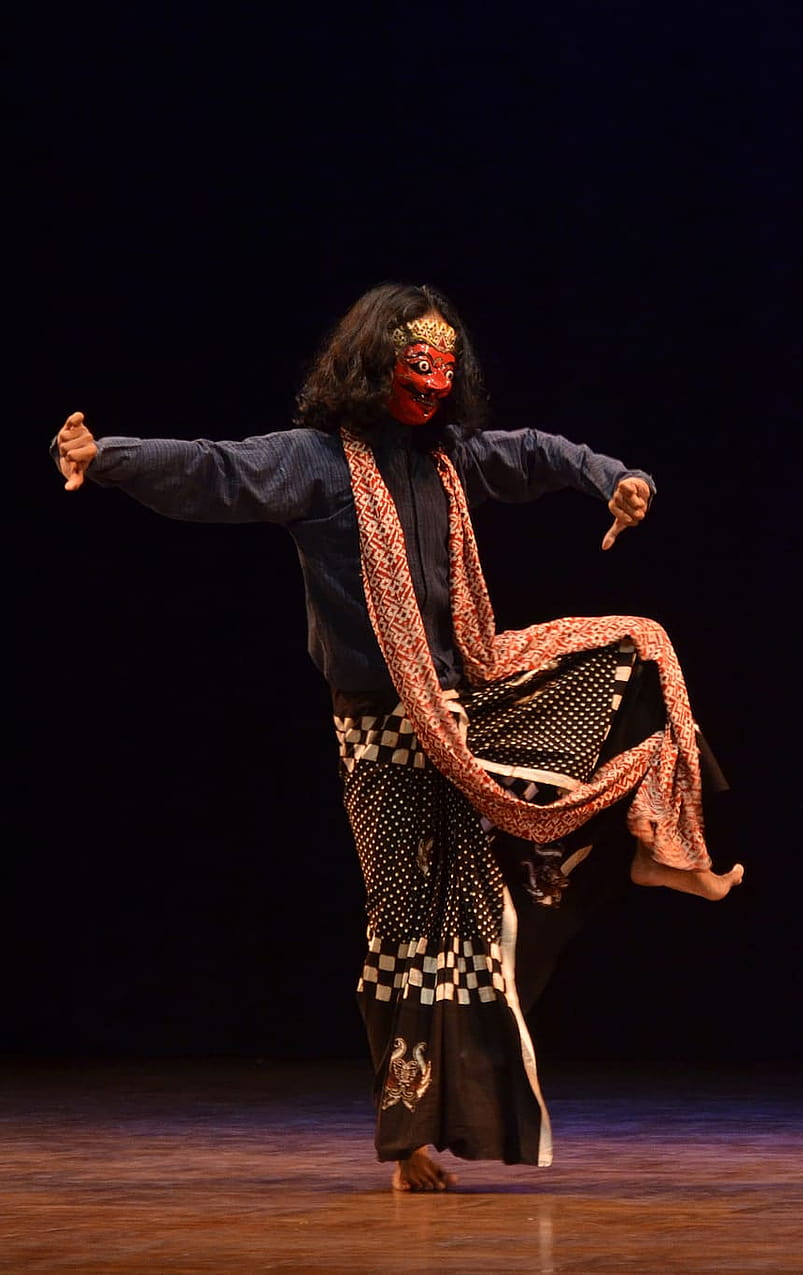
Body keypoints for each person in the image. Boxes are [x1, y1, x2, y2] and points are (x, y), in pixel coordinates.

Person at [53, 281, 743, 1192]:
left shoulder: (448, 458)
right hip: (381, 733)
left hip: (471, 698)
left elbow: (532, 451)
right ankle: (409, 1135)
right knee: (412, 926)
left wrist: (613, 475)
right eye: (418, 369)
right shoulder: (316, 463)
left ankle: (652, 836)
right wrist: (106, 455)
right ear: (375, 368)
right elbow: (215, 471)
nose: (434, 385)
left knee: (637, 647)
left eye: (445, 372)